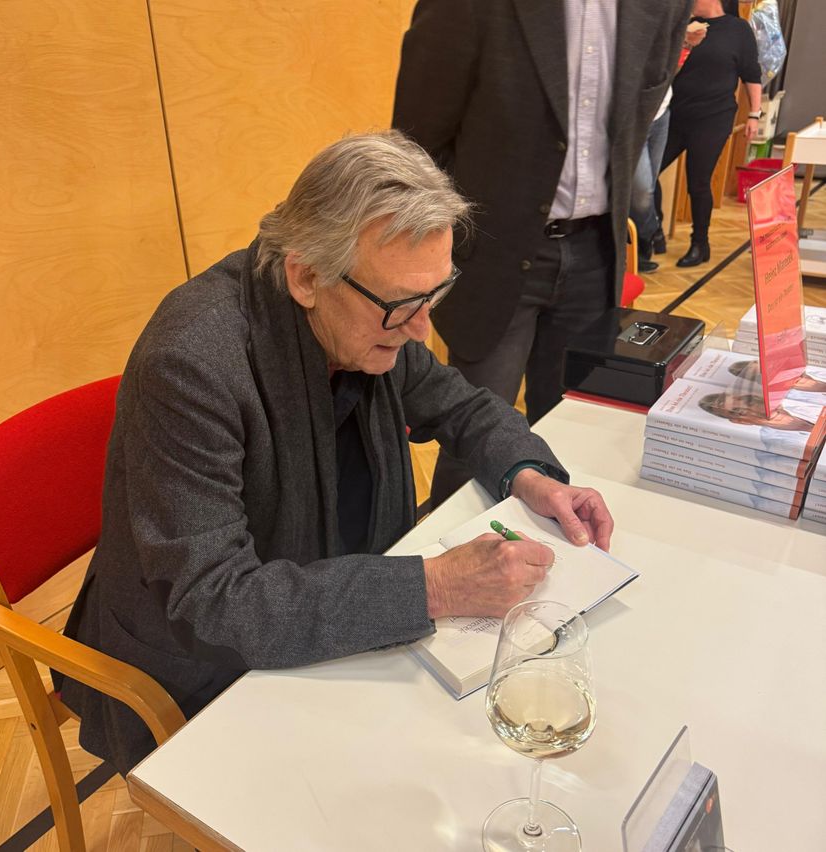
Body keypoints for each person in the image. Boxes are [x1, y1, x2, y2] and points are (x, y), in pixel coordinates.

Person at [54, 131, 614, 775]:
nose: (421, 329)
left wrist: (530, 474)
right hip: (203, 668)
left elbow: (459, 404)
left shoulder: (365, 316)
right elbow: (215, 601)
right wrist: (436, 585)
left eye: (434, 296)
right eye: (404, 304)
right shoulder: (193, 364)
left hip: (328, 607)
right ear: (305, 276)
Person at [392, 0, 692, 507]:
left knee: (578, 427)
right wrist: (450, 244)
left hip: (597, 253)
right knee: (473, 436)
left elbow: (640, 114)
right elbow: (417, 144)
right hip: (492, 253)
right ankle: (450, 568)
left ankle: (560, 564)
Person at [657, 0, 762, 268]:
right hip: (676, 115)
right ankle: (653, 229)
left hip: (714, 118)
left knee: (699, 182)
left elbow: (751, 74)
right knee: (647, 173)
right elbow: (663, 69)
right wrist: (685, 43)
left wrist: (754, 114)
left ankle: (699, 243)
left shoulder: (738, 29)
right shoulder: (682, 26)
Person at [631, 25, 709, 273]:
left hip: (661, 113)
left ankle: (640, 250)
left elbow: (667, 74)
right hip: (634, 119)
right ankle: (651, 234)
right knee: (641, 192)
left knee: (649, 186)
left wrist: (685, 45)